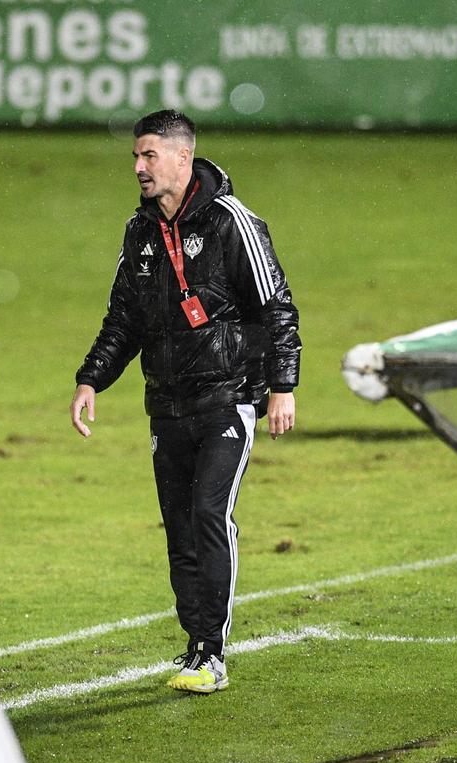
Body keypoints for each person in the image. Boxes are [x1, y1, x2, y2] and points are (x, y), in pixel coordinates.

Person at [70, 109, 301, 694]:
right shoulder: (139, 231)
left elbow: (277, 307)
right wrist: (91, 378)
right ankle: (195, 647)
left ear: (182, 157)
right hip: (166, 404)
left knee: (207, 514)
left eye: (149, 156)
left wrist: (282, 386)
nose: (140, 168)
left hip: (229, 398)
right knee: (178, 527)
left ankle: (213, 654)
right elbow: (124, 318)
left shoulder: (231, 221)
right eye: (135, 157)